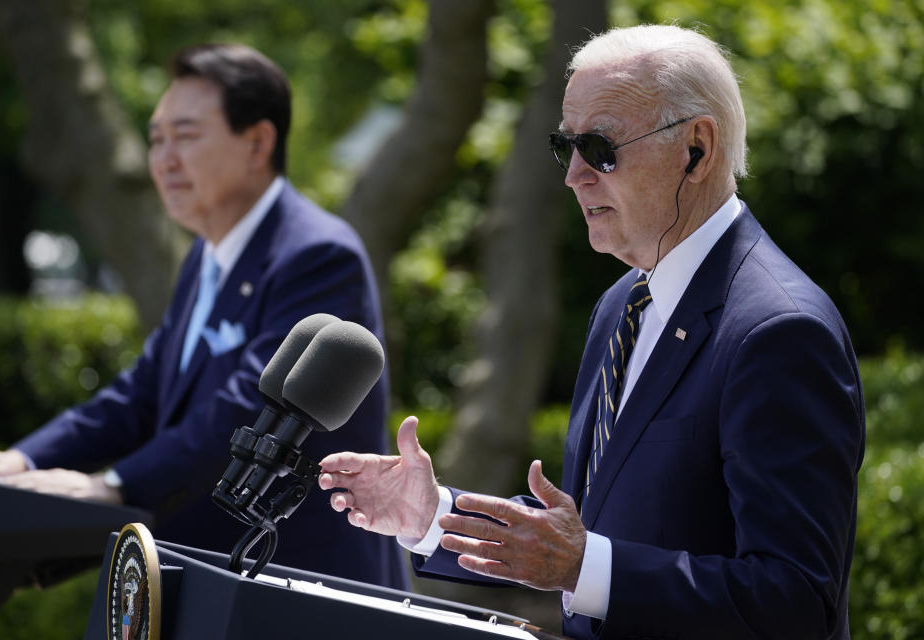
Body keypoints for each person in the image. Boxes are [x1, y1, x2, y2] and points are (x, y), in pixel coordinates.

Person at [317, 24, 865, 638]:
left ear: (697, 149)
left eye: (600, 146)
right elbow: (588, 528)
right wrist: (436, 517)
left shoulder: (779, 330)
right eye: (565, 146)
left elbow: (794, 602)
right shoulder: (622, 303)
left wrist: (584, 567)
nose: (575, 174)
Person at [0, 43, 406, 589]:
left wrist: (115, 485)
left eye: (186, 136)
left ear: (258, 142)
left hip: (298, 587)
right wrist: (23, 462)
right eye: (156, 139)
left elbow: (242, 412)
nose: (163, 159)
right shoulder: (206, 255)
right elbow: (141, 393)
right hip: (212, 579)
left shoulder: (317, 255)